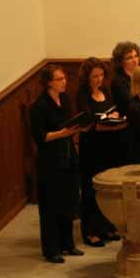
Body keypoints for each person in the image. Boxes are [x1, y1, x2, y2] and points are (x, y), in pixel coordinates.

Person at [29, 64, 84, 263]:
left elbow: (69, 124)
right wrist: (63, 133)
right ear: (48, 82)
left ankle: (68, 244)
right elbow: (40, 136)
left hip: (68, 156)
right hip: (50, 161)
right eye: (59, 79)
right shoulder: (40, 106)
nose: (64, 82)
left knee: (67, 201)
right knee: (50, 206)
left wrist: (78, 128)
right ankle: (52, 249)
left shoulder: (65, 99)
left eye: (64, 78)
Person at [75, 57, 124, 246]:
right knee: (90, 189)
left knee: (108, 188)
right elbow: (86, 118)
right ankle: (90, 231)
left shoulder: (105, 90)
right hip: (92, 146)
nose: (99, 79)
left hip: (109, 144)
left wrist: (115, 116)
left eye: (101, 75)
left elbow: (113, 109)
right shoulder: (82, 93)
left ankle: (107, 226)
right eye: (95, 76)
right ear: (87, 78)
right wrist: (102, 119)